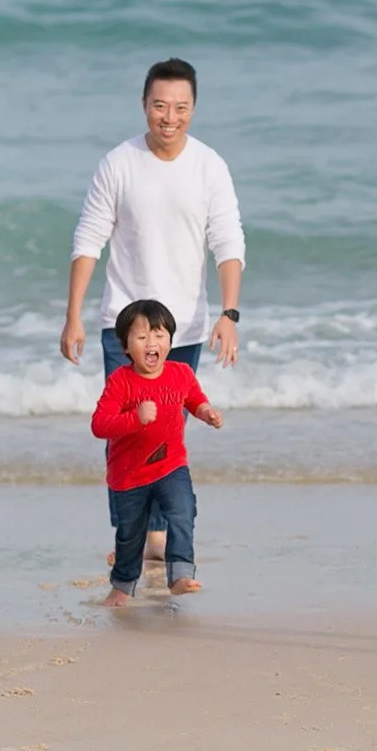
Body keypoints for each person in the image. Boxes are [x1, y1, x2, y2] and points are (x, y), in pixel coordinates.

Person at [60, 58, 245, 556]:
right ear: (144, 105)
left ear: (194, 109)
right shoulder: (118, 163)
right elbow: (88, 240)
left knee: (169, 433)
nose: (170, 116)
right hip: (124, 327)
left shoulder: (209, 166)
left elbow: (228, 243)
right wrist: (73, 314)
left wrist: (229, 314)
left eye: (181, 107)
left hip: (182, 329)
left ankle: (156, 536)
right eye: (160, 105)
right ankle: (132, 535)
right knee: (126, 435)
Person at [91, 298, 224, 605]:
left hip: (171, 465)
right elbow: (99, 425)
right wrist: (134, 418)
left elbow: (194, 399)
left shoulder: (181, 373)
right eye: (141, 337)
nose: (151, 342)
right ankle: (122, 587)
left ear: (170, 341)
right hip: (129, 475)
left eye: (159, 335)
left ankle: (179, 574)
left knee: (182, 510)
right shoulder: (120, 381)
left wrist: (205, 412)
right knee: (130, 536)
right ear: (125, 347)